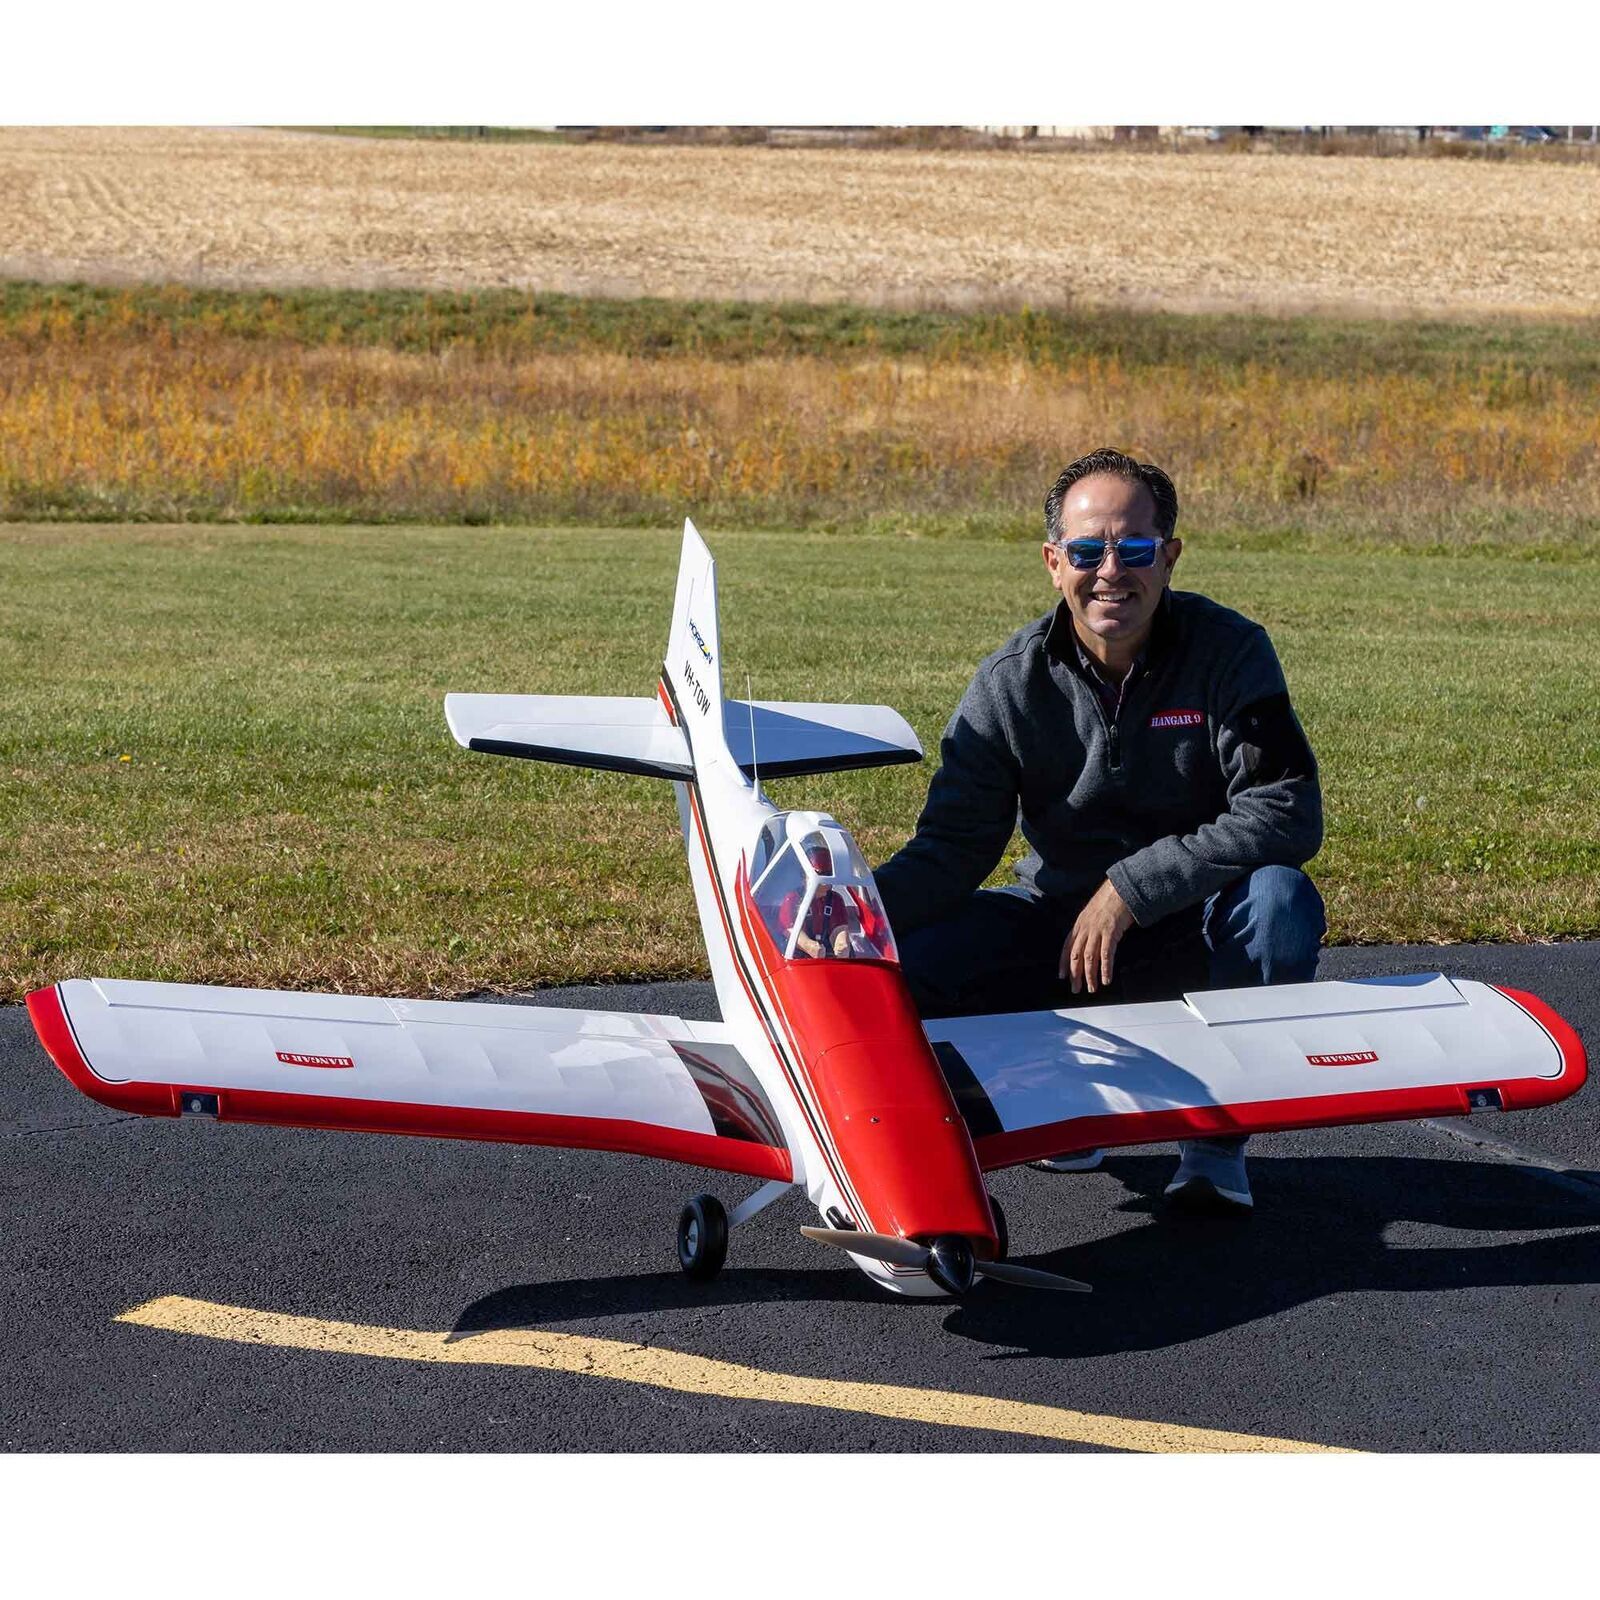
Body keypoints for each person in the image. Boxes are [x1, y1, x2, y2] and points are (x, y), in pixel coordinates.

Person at [874, 447, 1326, 1213]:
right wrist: (852, 915)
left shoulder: (1230, 652)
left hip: (1198, 932)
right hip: (1061, 938)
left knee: (1280, 903)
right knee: (909, 961)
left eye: (1135, 549)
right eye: (1087, 551)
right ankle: (1053, 1100)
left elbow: (1287, 807)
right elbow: (952, 849)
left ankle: (1215, 1143)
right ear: (1054, 563)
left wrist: (1132, 889)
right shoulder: (1009, 682)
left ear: (1169, 558)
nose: (1111, 571)